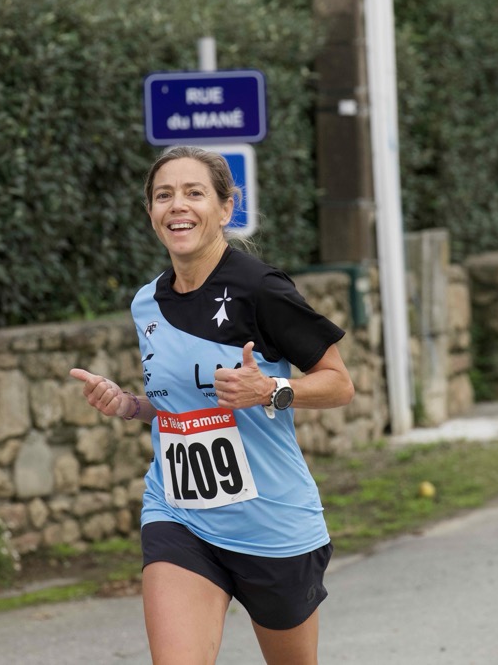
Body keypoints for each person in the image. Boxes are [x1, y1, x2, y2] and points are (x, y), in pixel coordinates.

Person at [71, 145, 354, 665]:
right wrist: (129, 405)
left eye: (194, 193)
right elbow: (177, 404)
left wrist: (269, 389)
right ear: (151, 212)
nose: (177, 205)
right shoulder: (146, 303)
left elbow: (339, 384)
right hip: (180, 515)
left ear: (225, 208)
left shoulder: (260, 289)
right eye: (164, 195)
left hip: (271, 523)